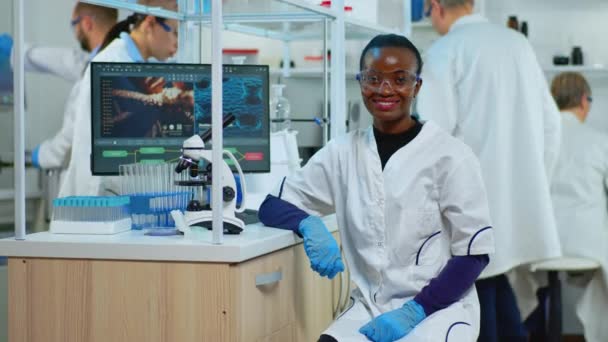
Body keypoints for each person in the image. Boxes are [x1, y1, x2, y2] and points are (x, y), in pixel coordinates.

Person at [259, 33, 495, 342]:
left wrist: (415, 311)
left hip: (437, 311)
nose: (385, 89)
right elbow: (270, 205)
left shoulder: (451, 156)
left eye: (400, 79)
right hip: (369, 309)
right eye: (373, 78)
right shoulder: (342, 151)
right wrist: (307, 223)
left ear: (417, 86)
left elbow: (474, 255)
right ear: (361, 82)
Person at [415, 0, 562, 341]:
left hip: (468, 208)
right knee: (494, 289)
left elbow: (432, 140)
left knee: (476, 308)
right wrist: (535, 185)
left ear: (436, 6)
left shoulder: (444, 51)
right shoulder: (518, 44)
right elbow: (552, 125)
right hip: (515, 207)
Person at [58, 0, 178, 197]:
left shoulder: (134, 66)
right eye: (173, 32)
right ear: (149, 24)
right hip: (101, 192)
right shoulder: (112, 63)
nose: (176, 43)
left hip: (121, 187)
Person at [548, 72, 608, 342]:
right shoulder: (600, 142)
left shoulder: (537, 141)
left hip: (542, 244)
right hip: (588, 243)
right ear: (584, 100)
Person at [31, 2, 118, 171]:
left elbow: (73, 139)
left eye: (74, 25)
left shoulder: (101, 68)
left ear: (86, 24)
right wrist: (22, 53)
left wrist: (43, 155)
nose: (75, 33)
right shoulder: (104, 59)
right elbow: (66, 60)